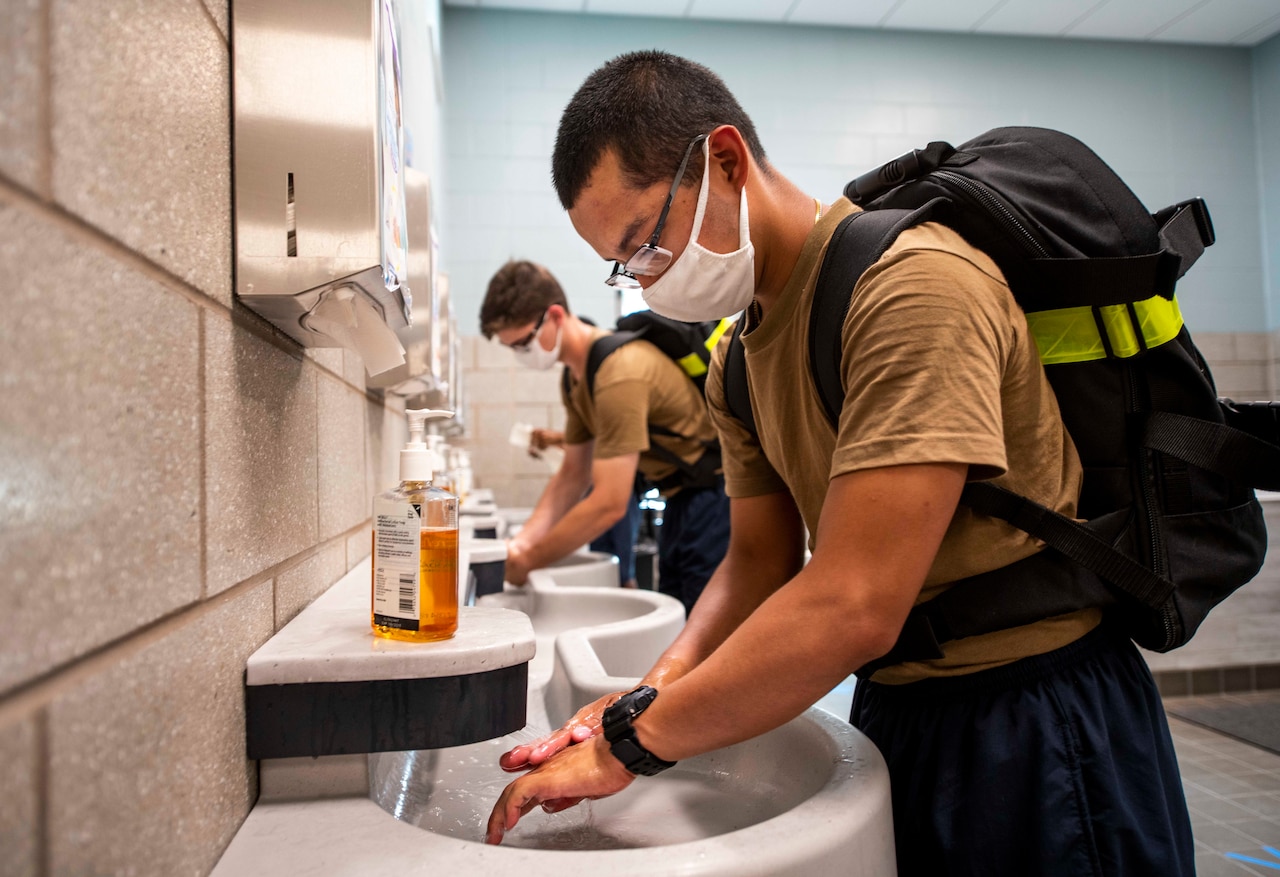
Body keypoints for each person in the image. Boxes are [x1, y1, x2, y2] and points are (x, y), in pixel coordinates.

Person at [484, 51, 1195, 877]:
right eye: (625, 265)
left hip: (1035, 718)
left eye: (646, 244)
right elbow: (755, 564)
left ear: (723, 160)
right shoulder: (737, 362)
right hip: (900, 707)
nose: (645, 284)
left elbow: (856, 601)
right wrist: (653, 691)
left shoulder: (911, 285)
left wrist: (634, 744)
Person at [479, 259, 730, 614]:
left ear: (554, 316)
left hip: (719, 497)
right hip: (682, 497)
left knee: (701, 623)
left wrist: (531, 559)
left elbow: (609, 502)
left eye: (523, 344)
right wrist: (519, 546)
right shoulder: (576, 378)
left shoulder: (618, 372)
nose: (522, 356)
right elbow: (573, 475)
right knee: (680, 614)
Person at [529, 427, 641, 589]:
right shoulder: (585, 411)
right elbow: (585, 451)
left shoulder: (608, 407)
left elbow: (608, 439)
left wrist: (559, 439)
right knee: (603, 563)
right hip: (596, 486)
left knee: (623, 570)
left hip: (618, 485)